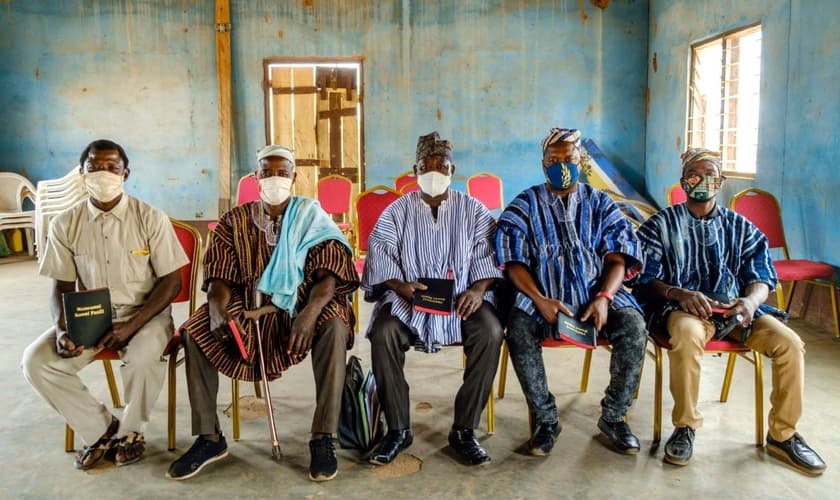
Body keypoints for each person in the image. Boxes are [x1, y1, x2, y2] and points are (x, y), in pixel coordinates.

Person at [167, 145, 359, 482]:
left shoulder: (311, 214)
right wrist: (215, 307)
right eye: (267, 173)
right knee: (196, 329)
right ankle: (209, 438)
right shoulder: (234, 221)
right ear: (256, 178)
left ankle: (323, 436)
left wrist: (310, 312)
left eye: (282, 173)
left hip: (303, 300)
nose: (274, 179)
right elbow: (220, 277)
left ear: (293, 177)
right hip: (248, 301)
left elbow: (329, 273)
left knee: (335, 326)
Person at [634, 147, 826, 475]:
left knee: (790, 344)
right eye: (695, 175)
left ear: (721, 181)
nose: (703, 181)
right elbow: (642, 278)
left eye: (711, 175)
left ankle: (783, 434)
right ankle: (685, 427)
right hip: (685, 309)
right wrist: (678, 293)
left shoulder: (740, 227)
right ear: (683, 181)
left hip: (735, 309)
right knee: (687, 334)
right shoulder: (661, 225)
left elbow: (762, 276)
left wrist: (749, 303)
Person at [22, 139, 188, 469]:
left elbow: (172, 283)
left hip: (145, 315)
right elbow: (62, 285)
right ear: (82, 175)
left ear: (126, 173)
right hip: (91, 317)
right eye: (93, 168)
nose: (103, 174)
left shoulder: (149, 217)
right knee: (36, 362)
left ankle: (131, 433)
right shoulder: (65, 223)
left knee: (142, 358)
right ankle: (100, 429)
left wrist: (132, 325)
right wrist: (61, 328)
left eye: (112, 167)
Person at [495, 128, 647, 456]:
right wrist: (539, 300)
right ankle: (546, 420)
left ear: (581, 163)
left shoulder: (601, 203)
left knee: (634, 326)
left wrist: (605, 298)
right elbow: (512, 261)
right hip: (543, 296)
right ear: (542, 163)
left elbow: (618, 256)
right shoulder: (524, 204)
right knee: (518, 329)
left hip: (597, 294)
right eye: (554, 160)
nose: (562, 166)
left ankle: (615, 416)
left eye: (570, 159)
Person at [363, 131, 503, 466]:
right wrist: (399, 285)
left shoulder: (474, 210)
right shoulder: (397, 211)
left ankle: (464, 429)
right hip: (408, 297)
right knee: (382, 332)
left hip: (460, 300)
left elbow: (489, 254)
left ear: (453, 172)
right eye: (427, 167)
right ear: (415, 169)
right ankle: (397, 429)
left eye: (442, 167)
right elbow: (379, 253)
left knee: (491, 331)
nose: (435, 174)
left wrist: (478, 289)